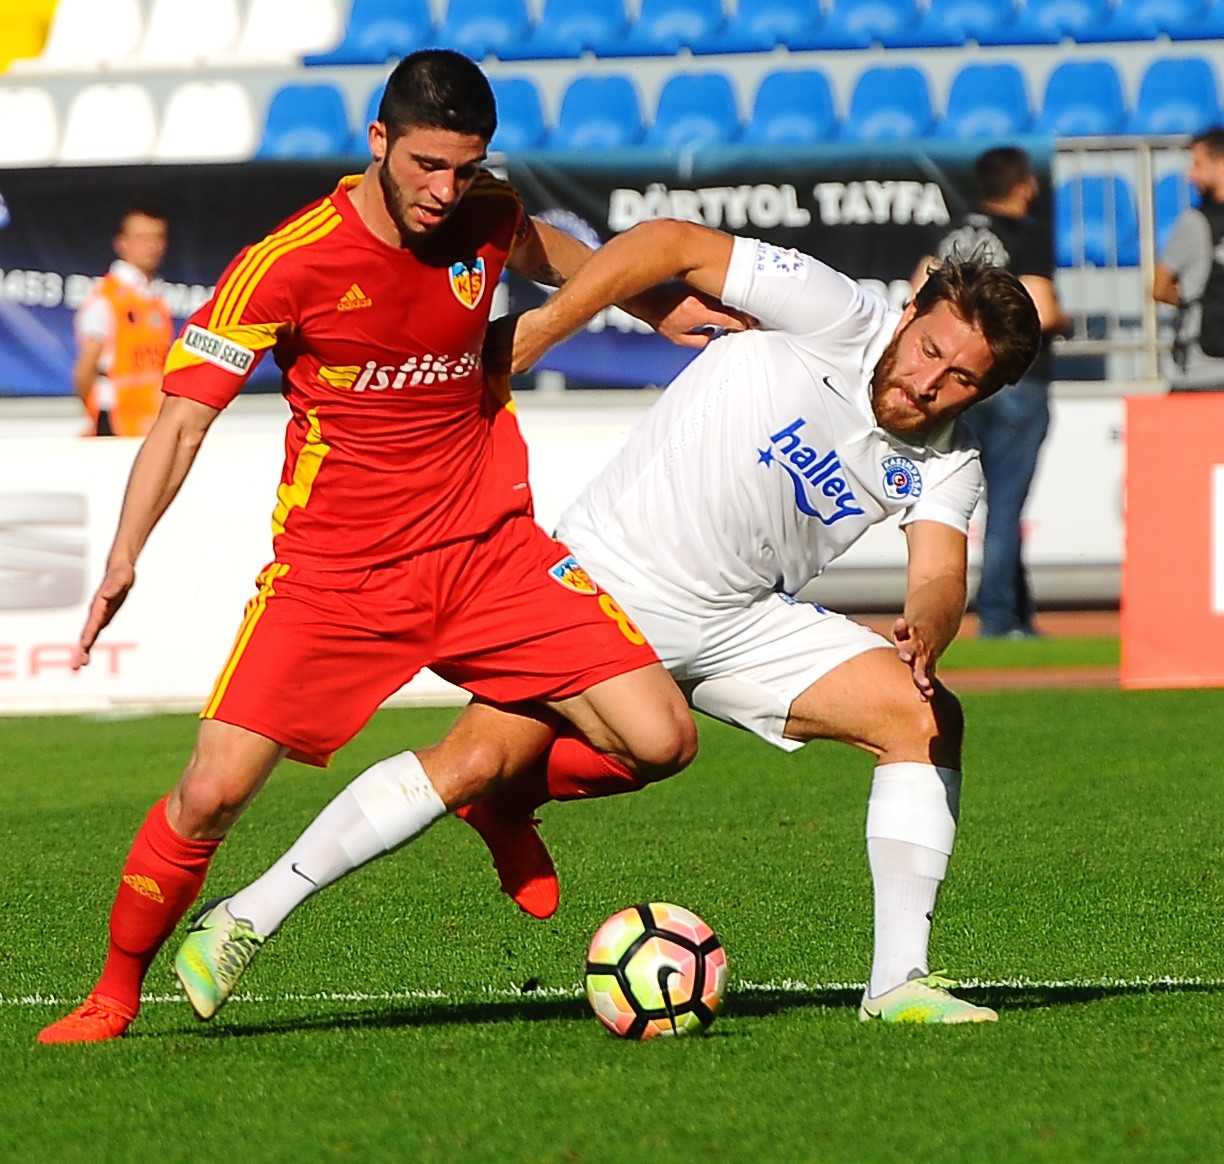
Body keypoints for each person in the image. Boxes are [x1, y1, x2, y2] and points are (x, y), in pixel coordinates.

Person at [37, 49, 748, 1046]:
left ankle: (498, 797)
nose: (445, 190)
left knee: (662, 739)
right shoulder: (286, 263)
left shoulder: (484, 214)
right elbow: (183, 421)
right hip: (337, 577)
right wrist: (125, 555)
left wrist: (652, 302)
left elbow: (550, 248)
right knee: (210, 792)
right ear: (378, 140)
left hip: (488, 550)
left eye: (466, 168)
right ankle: (113, 997)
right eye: (426, 165)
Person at [172, 220, 1041, 1025]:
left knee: (924, 716)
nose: (927, 381)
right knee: (473, 760)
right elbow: (667, 242)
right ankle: (244, 915)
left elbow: (939, 574)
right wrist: (546, 329)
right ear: (909, 314)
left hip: (740, 618)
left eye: (961, 378)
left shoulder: (949, 461)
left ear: (987, 390)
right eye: (929, 349)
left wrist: (927, 627)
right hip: (607, 582)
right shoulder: (832, 309)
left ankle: (896, 983)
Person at [912, 146, 1071, 640]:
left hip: (963, 381)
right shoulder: (1026, 233)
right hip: (1018, 381)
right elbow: (1041, 310)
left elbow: (917, 294)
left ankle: (1018, 612)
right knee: (1006, 505)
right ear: (1024, 186)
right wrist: (1066, 320)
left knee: (983, 499)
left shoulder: (953, 233)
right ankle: (998, 616)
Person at [72, 206, 173, 437]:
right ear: (122, 243)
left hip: (153, 418)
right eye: (141, 237)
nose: (151, 245)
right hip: (116, 419)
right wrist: (97, 417)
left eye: (157, 237)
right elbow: (84, 372)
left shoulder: (155, 297)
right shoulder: (106, 297)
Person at [1154, 126, 1224, 392]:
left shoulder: (1193, 223)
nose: (1190, 175)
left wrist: (1193, 301)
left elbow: (1160, 288)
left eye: (1198, 164)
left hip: (1200, 372)